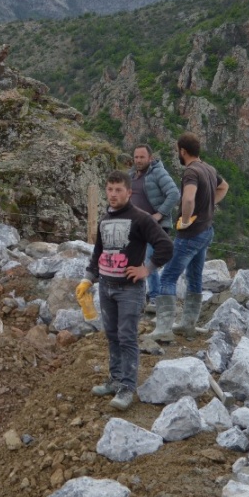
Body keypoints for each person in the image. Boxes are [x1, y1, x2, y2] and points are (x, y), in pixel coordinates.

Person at [81, 170, 173, 410]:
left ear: (129, 192)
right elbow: (98, 253)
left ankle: (127, 387)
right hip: (106, 287)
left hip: (130, 290)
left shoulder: (141, 218)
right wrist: (88, 279)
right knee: (112, 335)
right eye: (109, 189)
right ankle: (115, 379)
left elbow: (165, 245)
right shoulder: (104, 220)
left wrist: (147, 268)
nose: (113, 194)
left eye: (118, 190)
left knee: (127, 337)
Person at [148, 132, 229, 342]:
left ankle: (164, 328)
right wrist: (210, 205)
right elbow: (224, 187)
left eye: (178, 151)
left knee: (168, 277)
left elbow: (189, 199)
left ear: (182, 151)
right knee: (194, 277)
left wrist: (185, 219)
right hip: (206, 230)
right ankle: (187, 325)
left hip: (191, 233)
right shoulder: (209, 169)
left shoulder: (191, 172)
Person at [128, 143, 179, 301]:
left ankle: (156, 297)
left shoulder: (158, 172)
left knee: (149, 260)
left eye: (142, 157)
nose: (138, 160)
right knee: (134, 260)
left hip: (153, 227)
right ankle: (140, 294)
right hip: (135, 227)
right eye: (136, 157)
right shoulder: (130, 175)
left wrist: (159, 215)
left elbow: (174, 194)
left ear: (150, 158)